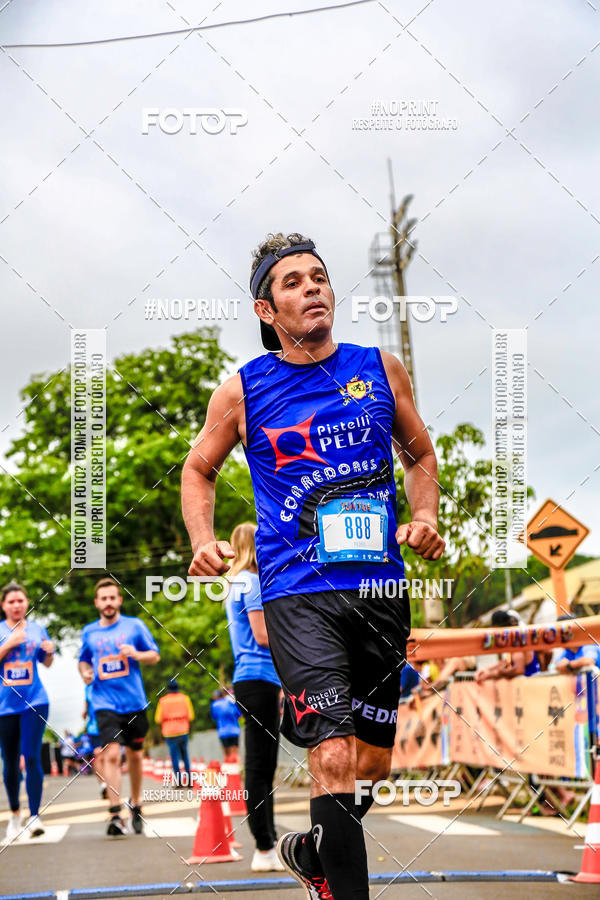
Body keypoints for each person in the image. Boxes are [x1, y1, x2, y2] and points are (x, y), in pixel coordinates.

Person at [182, 232, 444, 898]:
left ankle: (309, 849)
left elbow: (420, 456)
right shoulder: (243, 389)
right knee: (330, 755)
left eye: (319, 276)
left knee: (369, 765)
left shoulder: (379, 368)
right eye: (293, 282)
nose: (313, 288)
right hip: (298, 595)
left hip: (380, 590)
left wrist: (426, 518)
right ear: (266, 311)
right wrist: (203, 539)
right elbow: (197, 470)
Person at [78, 577, 159, 836]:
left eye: (113, 598)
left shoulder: (134, 626)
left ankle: (136, 804)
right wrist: (85, 672)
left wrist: (136, 654)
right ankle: (115, 815)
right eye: (104, 598)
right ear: (97, 603)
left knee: (135, 755)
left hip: (134, 701)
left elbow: (154, 655)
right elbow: (83, 660)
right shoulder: (89, 632)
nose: (108, 602)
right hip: (104, 702)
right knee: (111, 754)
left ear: (119, 600)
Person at [225, 522, 284, 873]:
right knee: (261, 767)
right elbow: (263, 636)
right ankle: (264, 846)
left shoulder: (235, 583)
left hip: (252, 680)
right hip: (259, 678)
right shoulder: (253, 582)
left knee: (262, 766)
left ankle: (269, 842)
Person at [0, 581, 55, 842]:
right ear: (3, 606)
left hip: (35, 701)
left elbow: (46, 661)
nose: (17, 605)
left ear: (26, 602)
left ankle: (34, 816)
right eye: (11, 601)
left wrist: (50, 651)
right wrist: (10, 643)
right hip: (4, 705)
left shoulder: (37, 628)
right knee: (10, 761)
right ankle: (14, 814)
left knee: (31, 756)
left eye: (20, 600)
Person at [476, 610, 540, 682]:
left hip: (530, 684)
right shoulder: (513, 639)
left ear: (497, 627)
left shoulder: (515, 640)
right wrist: (487, 670)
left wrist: (493, 674)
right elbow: (506, 662)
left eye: (494, 629)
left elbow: (519, 670)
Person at [155, 678, 194, 783]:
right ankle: (189, 780)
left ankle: (179, 781)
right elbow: (191, 716)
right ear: (178, 688)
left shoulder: (163, 701)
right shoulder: (185, 698)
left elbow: (158, 719)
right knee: (185, 755)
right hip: (183, 731)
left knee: (174, 757)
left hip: (169, 733)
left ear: (168, 689)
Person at [83, 682, 107, 798]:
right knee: (107, 754)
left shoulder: (88, 688)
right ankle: (107, 782)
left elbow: (85, 712)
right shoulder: (106, 681)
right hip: (107, 724)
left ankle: (103, 784)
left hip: (94, 726)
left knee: (98, 755)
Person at [210, 688, 241, 759]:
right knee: (235, 754)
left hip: (223, 732)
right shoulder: (231, 702)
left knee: (227, 755)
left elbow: (214, 716)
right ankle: (239, 768)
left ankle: (229, 768)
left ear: (216, 697)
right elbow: (238, 715)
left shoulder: (214, 705)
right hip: (234, 731)